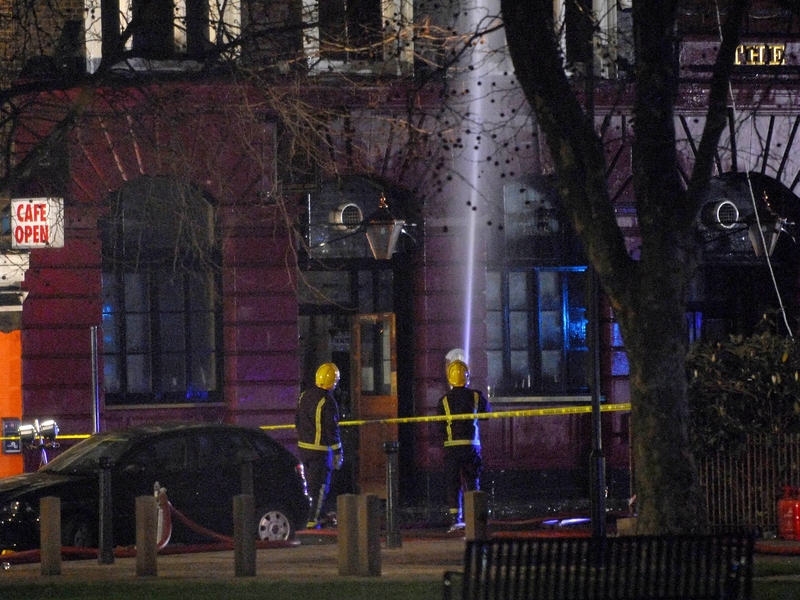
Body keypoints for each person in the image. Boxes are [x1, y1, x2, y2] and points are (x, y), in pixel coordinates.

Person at [437, 359, 491, 531]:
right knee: (472, 481)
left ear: (449, 378)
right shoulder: (476, 396)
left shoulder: (444, 401)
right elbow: (486, 415)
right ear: (467, 377)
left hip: (452, 448)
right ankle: (475, 518)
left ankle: (455, 519)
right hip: (471, 447)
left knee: (453, 483)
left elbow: (440, 426)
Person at [296, 362, 344, 529]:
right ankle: (312, 521)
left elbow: (297, 421)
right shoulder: (328, 401)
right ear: (334, 382)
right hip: (320, 452)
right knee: (320, 487)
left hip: (303, 449)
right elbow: (332, 429)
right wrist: (338, 452)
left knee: (309, 486)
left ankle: (315, 516)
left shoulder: (304, 396)